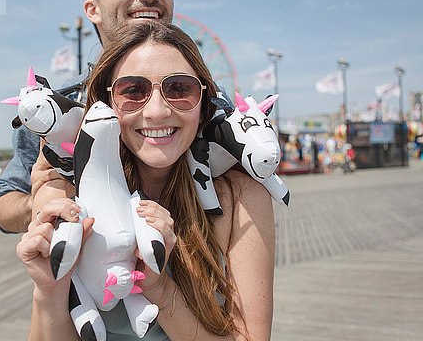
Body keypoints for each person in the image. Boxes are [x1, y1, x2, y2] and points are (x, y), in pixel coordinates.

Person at [16, 22, 275, 340]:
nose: (156, 111)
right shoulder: (71, 195)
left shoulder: (240, 197)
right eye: (133, 91)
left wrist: (159, 289)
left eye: (179, 88)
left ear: (203, 100)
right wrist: (49, 290)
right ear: (106, 103)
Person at [0, 0, 176, 233]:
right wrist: (35, 204)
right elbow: (2, 200)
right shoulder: (52, 107)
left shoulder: (209, 100)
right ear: (93, 9)